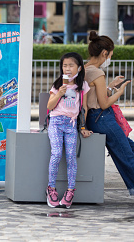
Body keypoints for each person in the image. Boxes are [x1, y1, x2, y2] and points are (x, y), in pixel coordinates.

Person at [84, 30, 134, 201]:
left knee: (131, 148)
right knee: (126, 154)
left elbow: (94, 95)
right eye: (110, 56)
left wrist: (109, 87)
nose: (110, 59)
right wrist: (120, 91)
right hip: (102, 118)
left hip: (96, 118)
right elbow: (104, 103)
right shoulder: (97, 72)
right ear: (104, 53)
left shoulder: (86, 68)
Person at [45, 52, 90, 208]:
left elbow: (84, 108)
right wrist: (60, 93)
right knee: (56, 153)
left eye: (71, 65)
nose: (68, 68)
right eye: (65, 65)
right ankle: (51, 189)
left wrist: (83, 127)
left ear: (79, 67)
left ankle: (70, 191)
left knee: (71, 157)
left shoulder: (82, 85)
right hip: (56, 122)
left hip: (71, 125)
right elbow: (49, 106)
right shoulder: (58, 84)